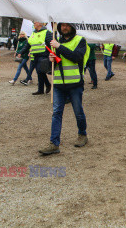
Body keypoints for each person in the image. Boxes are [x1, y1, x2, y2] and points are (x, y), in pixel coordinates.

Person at [39, 23, 90, 155]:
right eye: (62, 25)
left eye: (67, 25)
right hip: (58, 84)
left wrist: (59, 47)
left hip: (75, 84)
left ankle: (82, 135)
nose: (64, 28)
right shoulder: (55, 42)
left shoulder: (80, 40)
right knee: (56, 113)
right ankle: (54, 143)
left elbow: (76, 57)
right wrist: (51, 59)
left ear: (72, 27)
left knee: (78, 112)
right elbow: (56, 61)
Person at [18, 21, 52, 95]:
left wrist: (50, 55)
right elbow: (28, 44)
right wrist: (21, 52)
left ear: (40, 23)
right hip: (35, 56)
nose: (34, 24)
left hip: (43, 55)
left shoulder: (47, 32)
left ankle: (45, 86)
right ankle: (42, 89)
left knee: (40, 71)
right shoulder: (33, 33)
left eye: (35, 23)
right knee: (39, 72)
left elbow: (50, 44)